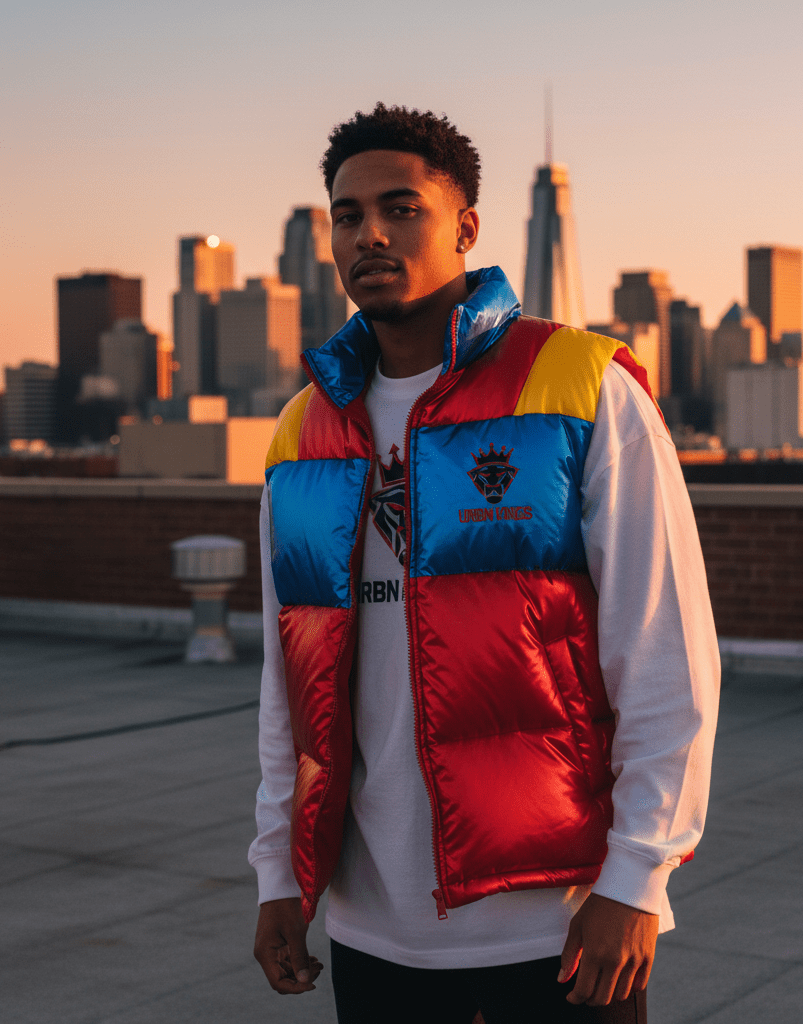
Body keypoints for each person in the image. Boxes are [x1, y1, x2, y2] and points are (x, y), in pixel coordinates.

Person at [249, 103, 719, 1022]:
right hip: (371, 926)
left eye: (401, 207)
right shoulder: (302, 431)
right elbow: (288, 687)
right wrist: (277, 868)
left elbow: (663, 650)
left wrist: (637, 878)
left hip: (557, 922)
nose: (370, 234)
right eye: (347, 216)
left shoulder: (578, 386)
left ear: (465, 226)